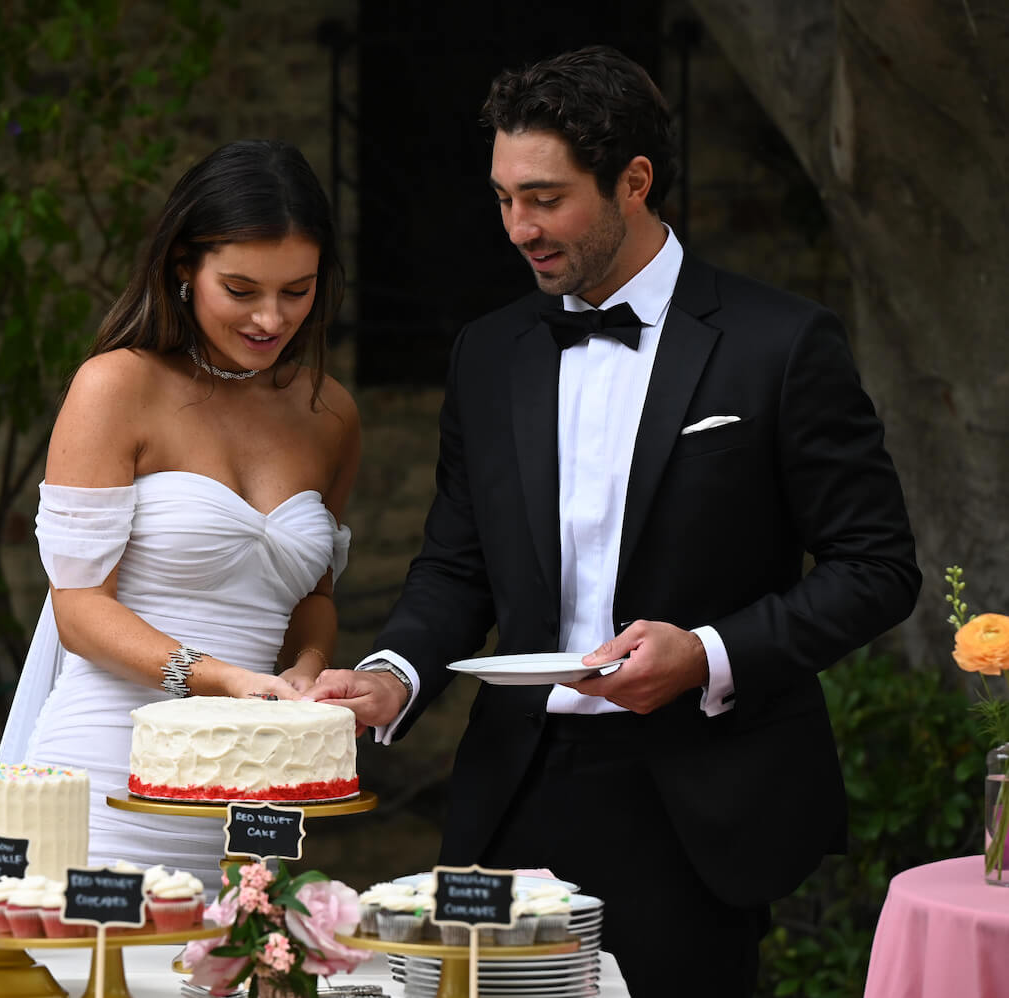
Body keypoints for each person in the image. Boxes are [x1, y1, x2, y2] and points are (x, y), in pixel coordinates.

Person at [306, 46, 920, 997]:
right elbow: (456, 567)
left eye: (545, 198)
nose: (517, 228)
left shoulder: (782, 344)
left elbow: (876, 566)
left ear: (634, 181)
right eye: (505, 197)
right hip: (513, 792)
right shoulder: (489, 353)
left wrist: (709, 653)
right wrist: (394, 676)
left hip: (693, 802)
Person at [0, 139, 359, 887]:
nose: (270, 317)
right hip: (103, 771)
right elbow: (79, 610)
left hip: (249, 788)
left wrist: (307, 675)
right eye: (241, 288)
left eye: (298, 291)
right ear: (183, 270)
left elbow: (315, 599)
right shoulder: (116, 386)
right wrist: (223, 679)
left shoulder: (330, 414)